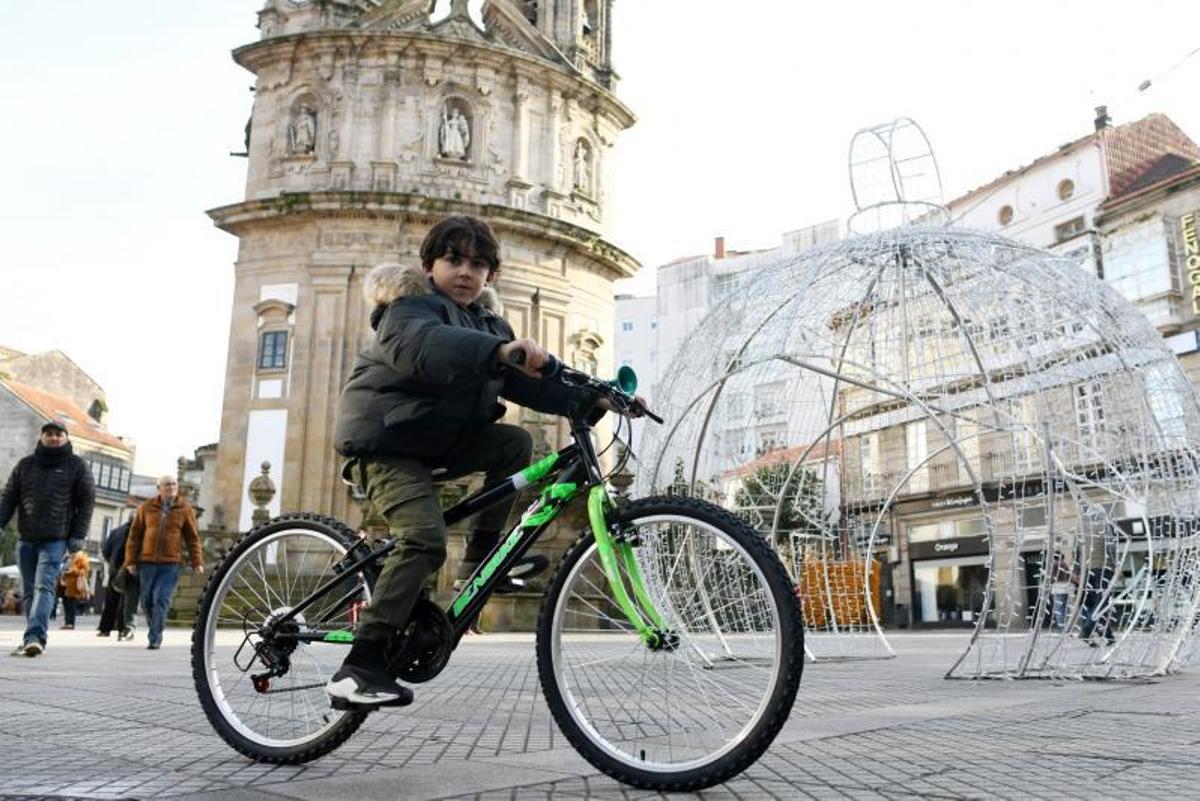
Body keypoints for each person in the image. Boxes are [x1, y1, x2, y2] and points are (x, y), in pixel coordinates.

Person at [327, 215, 644, 707]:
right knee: (423, 539)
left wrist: (597, 398)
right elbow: (426, 350)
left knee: (514, 443)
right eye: (453, 260)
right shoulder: (406, 309)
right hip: (386, 442)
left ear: (491, 276)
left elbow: (530, 384)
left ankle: (480, 562)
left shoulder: (489, 324)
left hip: (437, 439)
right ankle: (359, 666)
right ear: (429, 266)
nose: (465, 273)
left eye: (478, 265)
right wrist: (498, 349)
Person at [0, 418, 95, 657]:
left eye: (58, 434)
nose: (53, 437)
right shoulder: (25, 465)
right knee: (30, 590)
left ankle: (36, 638)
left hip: (56, 538)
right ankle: (30, 637)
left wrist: (78, 536)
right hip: (26, 537)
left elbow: (87, 501)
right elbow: (9, 498)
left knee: (44, 586)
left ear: (66, 438)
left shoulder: (77, 466)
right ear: (42, 437)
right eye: (49, 433)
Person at [124, 476, 204, 650]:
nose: (171, 487)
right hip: (147, 563)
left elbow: (192, 538)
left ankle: (155, 637)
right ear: (158, 487)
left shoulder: (185, 509)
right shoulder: (146, 507)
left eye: (174, 484)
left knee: (161, 599)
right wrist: (130, 561)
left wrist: (197, 561)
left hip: (171, 564)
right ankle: (155, 626)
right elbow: (134, 536)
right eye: (167, 484)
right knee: (146, 601)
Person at [97, 518, 137, 639]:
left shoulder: (115, 531)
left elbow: (105, 551)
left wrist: (111, 563)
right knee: (126, 600)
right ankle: (122, 629)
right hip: (128, 568)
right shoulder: (134, 531)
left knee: (110, 600)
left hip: (114, 569)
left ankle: (105, 629)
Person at [59, 550, 91, 629]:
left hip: (73, 585)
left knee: (71, 604)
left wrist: (71, 571)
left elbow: (83, 571)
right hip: (65, 584)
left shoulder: (81, 557)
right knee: (66, 603)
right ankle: (67, 622)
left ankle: (70, 623)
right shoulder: (66, 558)